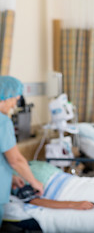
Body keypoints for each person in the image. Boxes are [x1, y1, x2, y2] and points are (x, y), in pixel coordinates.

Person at [0, 76, 44, 225]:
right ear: (4, 97)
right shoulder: (3, 122)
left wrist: (10, 177)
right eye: (14, 100)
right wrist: (34, 182)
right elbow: (16, 160)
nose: (14, 105)